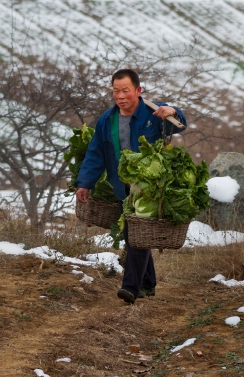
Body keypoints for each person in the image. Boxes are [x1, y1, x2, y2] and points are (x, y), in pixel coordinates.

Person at [75, 69, 187, 304]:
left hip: (149, 188)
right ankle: (148, 284)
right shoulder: (107, 120)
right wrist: (85, 183)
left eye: (126, 90)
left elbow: (179, 125)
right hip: (121, 187)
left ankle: (130, 288)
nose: (121, 96)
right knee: (133, 235)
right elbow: (96, 154)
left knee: (137, 237)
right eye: (116, 91)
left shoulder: (153, 113)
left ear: (138, 90)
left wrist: (174, 111)